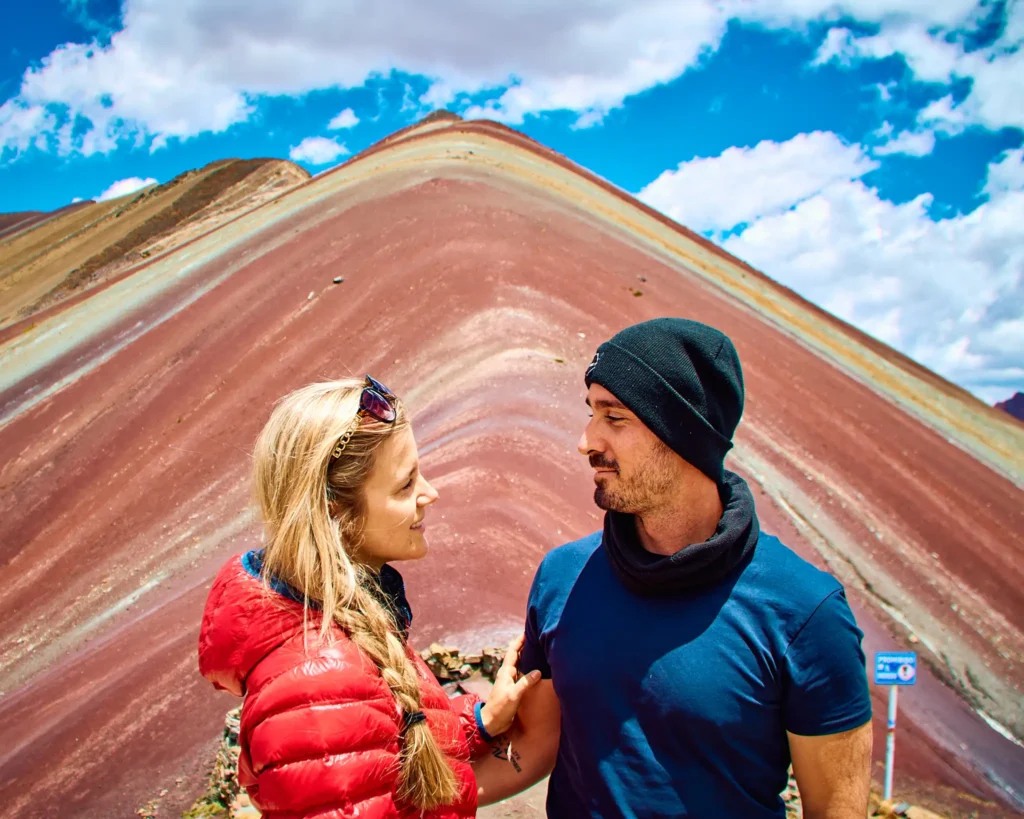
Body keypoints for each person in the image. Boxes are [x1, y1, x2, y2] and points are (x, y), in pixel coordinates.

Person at [472, 318, 874, 818]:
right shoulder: (562, 578)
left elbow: (835, 809)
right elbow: (535, 746)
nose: (587, 441)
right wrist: (389, 804)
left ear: (683, 434)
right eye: (591, 413)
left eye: (614, 418)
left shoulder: (806, 610)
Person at [197, 375, 540, 818]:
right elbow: (344, 734)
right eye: (404, 484)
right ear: (334, 510)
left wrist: (479, 723)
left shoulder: (337, 633)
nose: (429, 493)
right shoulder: (315, 690)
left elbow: (377, 740)